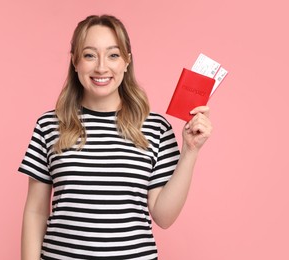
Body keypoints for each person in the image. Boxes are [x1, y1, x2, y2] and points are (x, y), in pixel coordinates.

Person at [18, 14, 212, 260]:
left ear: (127, 61)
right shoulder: (49, 125)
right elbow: (35, 211)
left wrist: (191, 151)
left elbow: (164, 217)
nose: (101, 67)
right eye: (89, 55)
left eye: (113, 54)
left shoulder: (155, 127)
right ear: (75, 62)